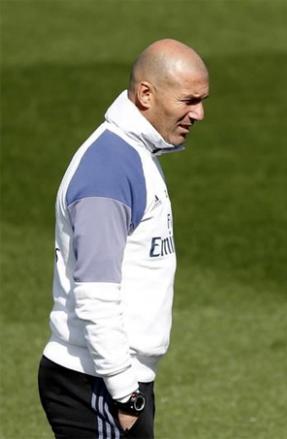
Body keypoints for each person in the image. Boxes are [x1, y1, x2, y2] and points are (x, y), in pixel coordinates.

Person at [37, 39, 209, 439]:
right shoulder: (109, 170)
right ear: (146, 94)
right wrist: (124, 390)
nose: (199, 113)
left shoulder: (134, 154)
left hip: (109, 378)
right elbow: (95, 291)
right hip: (96, 380)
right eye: (189, 100)